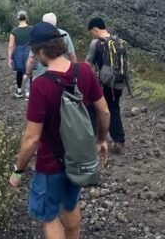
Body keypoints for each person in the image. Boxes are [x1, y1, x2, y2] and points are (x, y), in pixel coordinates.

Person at [9, 22, 109, 239]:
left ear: (43, 50)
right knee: (71, 205)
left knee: (50, 216)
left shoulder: (41, 86)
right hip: (78, 158)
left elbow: (32, 138)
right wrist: (101, 140)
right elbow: (104, 112)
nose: (35, 56)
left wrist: (18, 170)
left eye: (35, 51)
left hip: (50, 164)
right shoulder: (84, 71)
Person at [86, 17, 128, 154]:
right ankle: (119, 141)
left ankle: (95, 140)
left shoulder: (95, 43)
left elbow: (88, 64)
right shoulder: (118, 41)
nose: (92, 35)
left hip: (103, 83)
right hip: (118, 82)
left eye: (91, 32)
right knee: (114, 108)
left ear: (95, 29)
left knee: (95, 108)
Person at [25, 13, 76, 91]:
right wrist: (75, 71)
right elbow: (72, 55)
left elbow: (31, 60)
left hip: (43, 75)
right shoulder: (64, 34)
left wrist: (27, 73)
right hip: (64, 74)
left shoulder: (38, 38)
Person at [7, 11, 32, 98]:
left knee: (19, 72)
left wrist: (10, 58)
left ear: (18, 18)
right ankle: (29, 93)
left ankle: (19, 91)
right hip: (29, 51)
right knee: (29, 71)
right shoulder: (32, 29)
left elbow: (11, 46)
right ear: (26, 18)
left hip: (18, 53)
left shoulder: (14, 31)